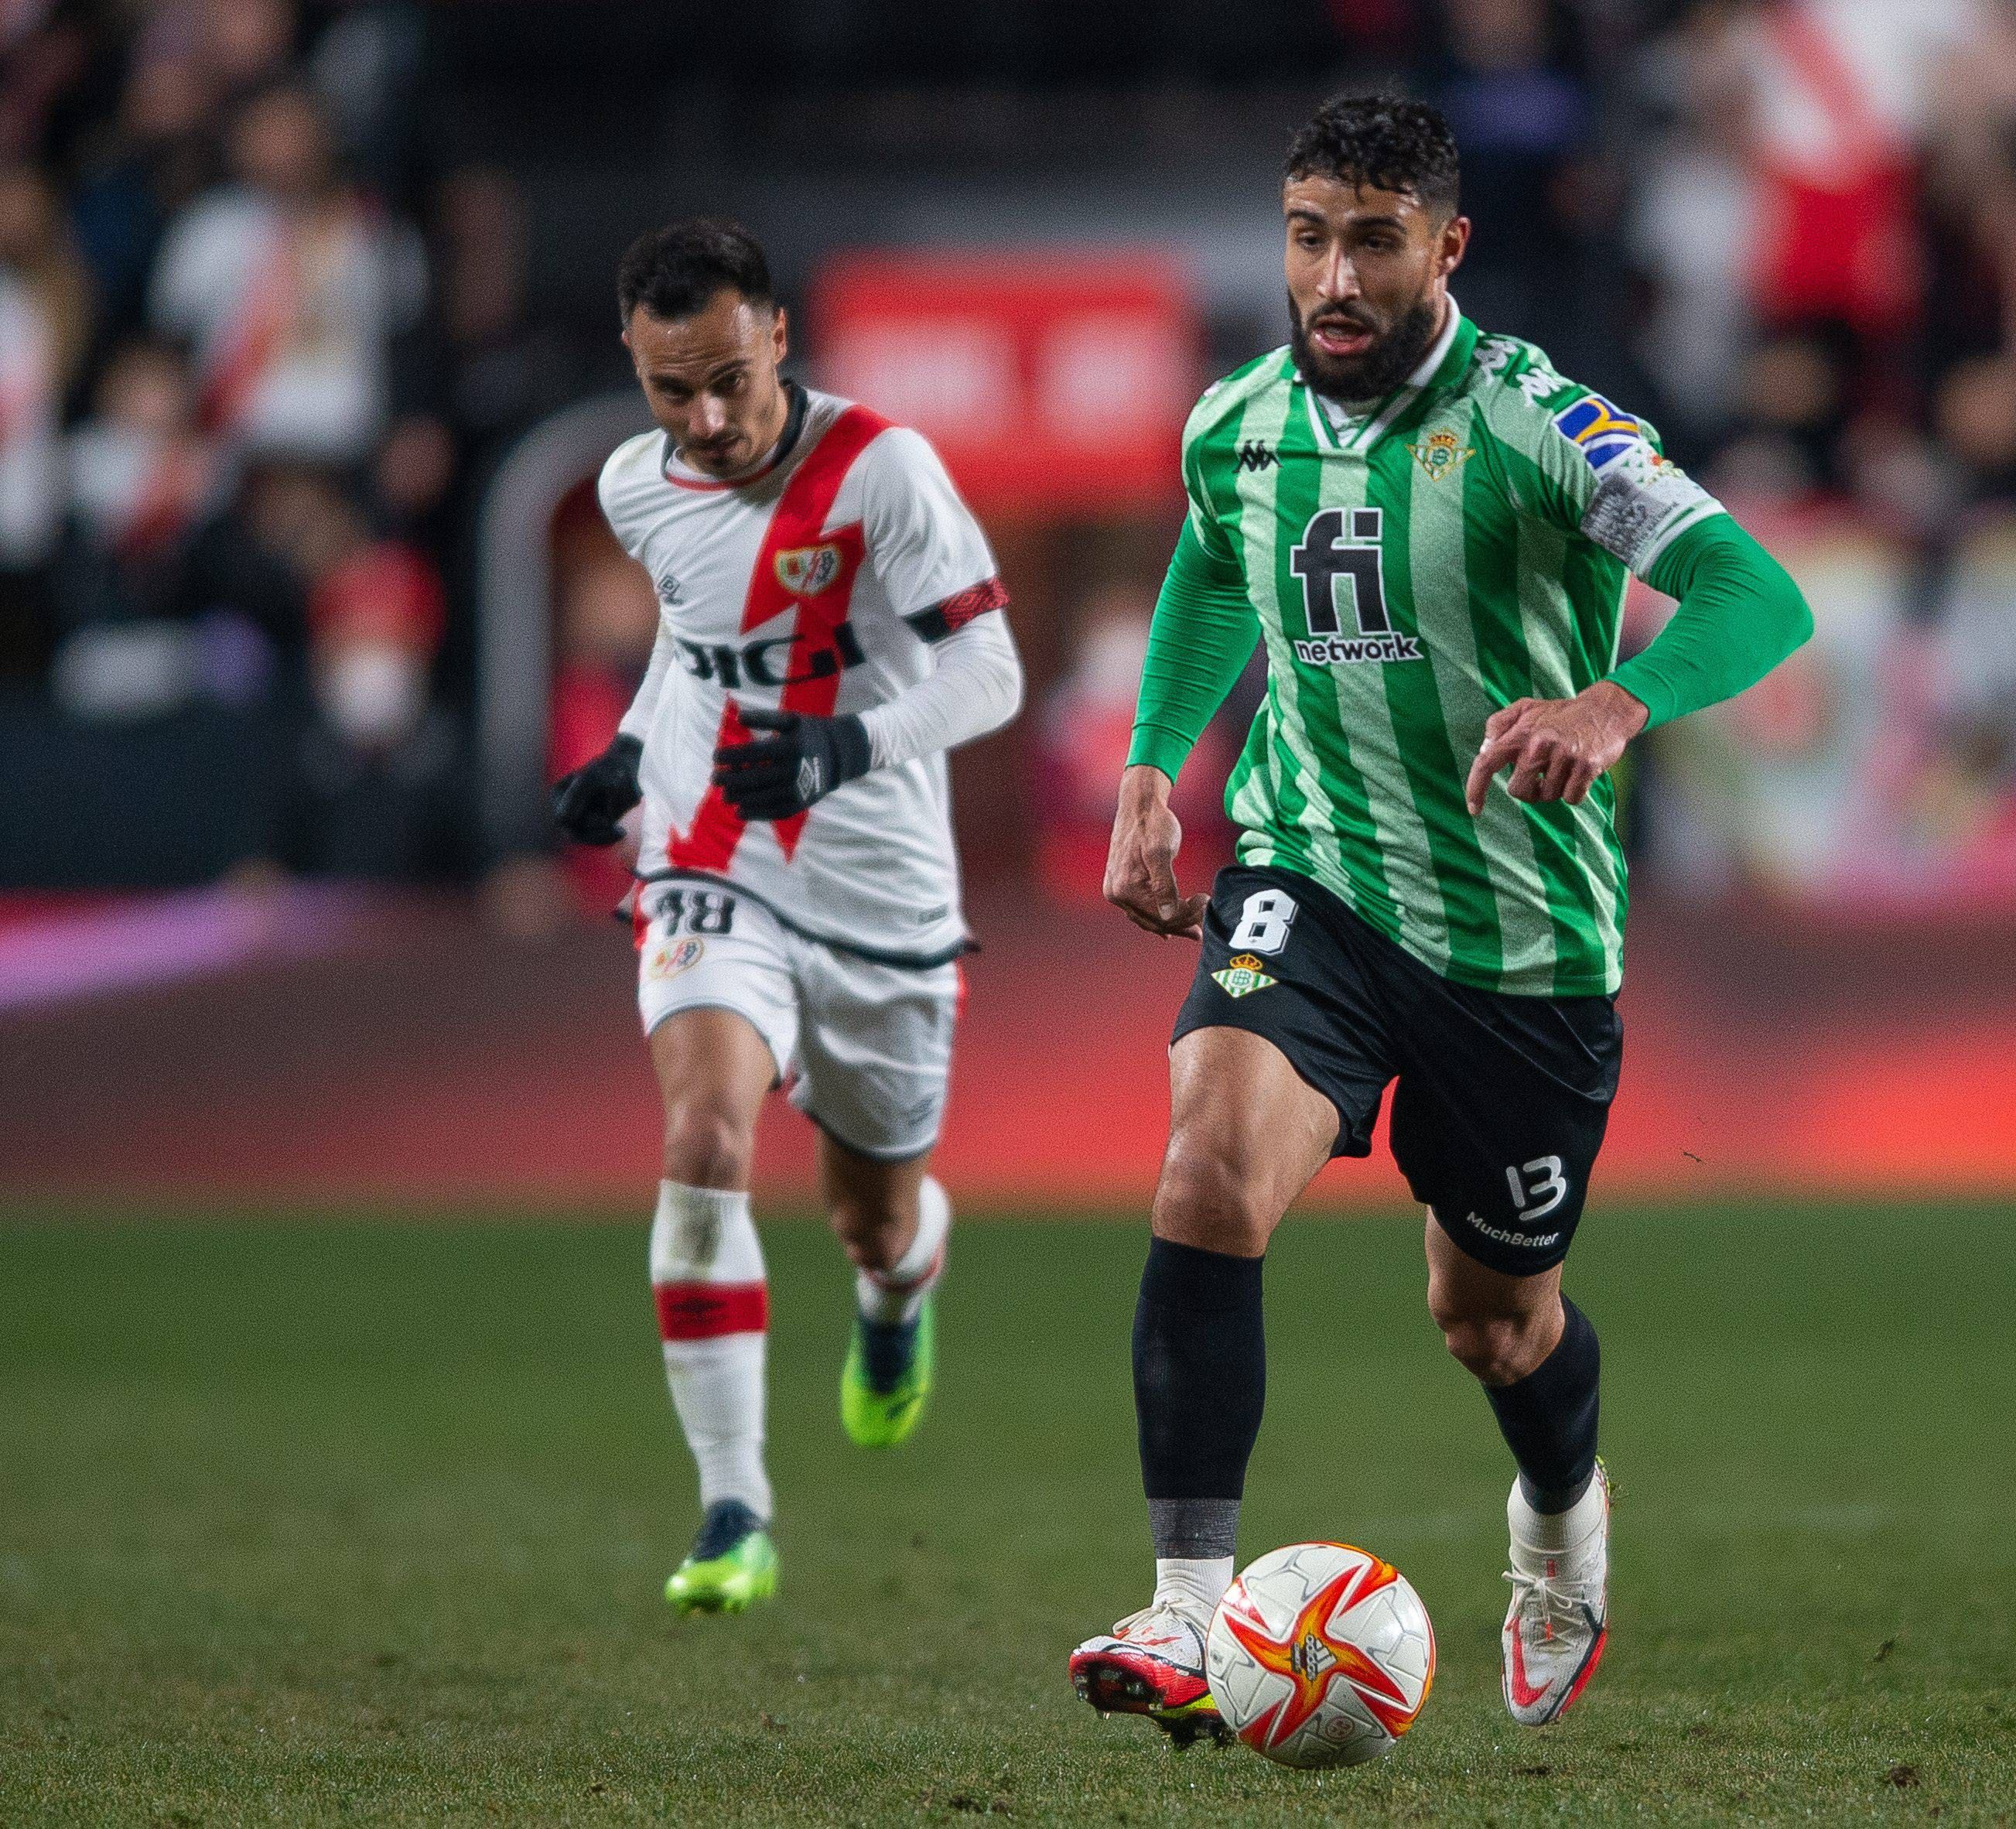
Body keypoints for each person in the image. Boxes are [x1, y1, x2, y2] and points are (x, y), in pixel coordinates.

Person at [1068, 95, 1813, 1742]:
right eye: (1308, 234)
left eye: (1374, 239)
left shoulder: (1543, 421)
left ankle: (1559, 1532)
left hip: (1522, 947)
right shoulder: (1237, 422)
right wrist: (1148, 766)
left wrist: (1618, 704)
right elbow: (1213, 566)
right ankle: (1190, 1613)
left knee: (1491, 1320)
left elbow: (1761, 591)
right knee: (1205, 1163)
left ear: (1447, 247)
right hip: (1310, 878)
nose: (1333, 274)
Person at [548, 219, 1023, 1614]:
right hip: (712, 859)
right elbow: (691, 648)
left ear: (777, 339)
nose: (702, 422)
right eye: (667, 390)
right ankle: (733, 1508)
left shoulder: (885, 470)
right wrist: (637, 754)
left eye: (727, 384)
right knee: (700, 1139)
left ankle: (897, 1295)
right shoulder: (635, 486)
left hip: (881, 894)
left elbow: (988, 668)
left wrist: (846, 748)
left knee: (871, 1222)